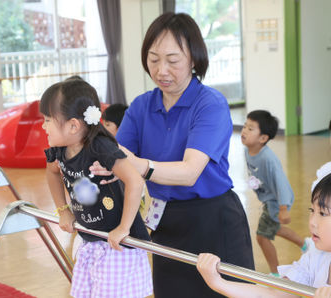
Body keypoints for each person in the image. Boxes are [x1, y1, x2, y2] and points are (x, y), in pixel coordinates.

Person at [90, 12, 254, 297]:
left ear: (194, 60)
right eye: (153, 59)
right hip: (166, 218)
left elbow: (190, 172)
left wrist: (137, 166)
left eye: (172, 60)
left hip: (214, 219)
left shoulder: (210, 104)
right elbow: (117, 155)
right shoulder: (142, 106)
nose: (161, 70)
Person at [39, 79, 153, 298]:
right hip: (90, 238)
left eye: (47, 120)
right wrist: (63, 210)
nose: (43, 126)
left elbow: (135, 181)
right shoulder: (60, 149)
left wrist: (123, 227)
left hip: (117, 246)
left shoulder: (101, 147)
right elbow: (52, 172)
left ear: (73, 125)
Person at [197, 173, 331, 298]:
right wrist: (218, 283)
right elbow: (272, 294)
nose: (312, 222)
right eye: (312, 210)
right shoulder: (315, 257)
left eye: (323, 214)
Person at [241, 110, 308, 275]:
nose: (244, 131)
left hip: (277, 201)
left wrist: (283, 209)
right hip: (269, 199)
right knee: (275, 229)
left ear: (263, 138)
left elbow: (282, 184)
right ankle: (306, 245)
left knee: (262, 237)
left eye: (250, 129)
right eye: (245, 126)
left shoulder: (268, 159)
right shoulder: (248, 151)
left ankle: (275, 273)